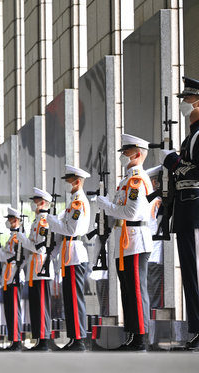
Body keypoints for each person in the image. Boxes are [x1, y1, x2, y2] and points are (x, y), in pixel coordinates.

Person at [96, 134, 153, 351]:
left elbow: (131, 211)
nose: (123, 155)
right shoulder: (125, 181)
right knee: (127, 291)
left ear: (137, 154)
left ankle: (140, 338)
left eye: (126, 152)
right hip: (124, 241)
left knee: (137, 290)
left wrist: (107, 206)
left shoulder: (137, 180)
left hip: (136, 240)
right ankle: (131, 335)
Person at [162, 76, 199, 351]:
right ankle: (195, 329)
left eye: (187, 100)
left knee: (196, 272)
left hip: (196, 213)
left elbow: (191, 171)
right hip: (186, 215)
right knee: (190, 274)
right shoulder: (191, 136)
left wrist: (175, 163)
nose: (184, 104)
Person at [46, 165, 91, 351]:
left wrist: (51, 221)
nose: (67, 184)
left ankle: (79, 338)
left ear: (77, 182)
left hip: (74, 253)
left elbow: (71, 230)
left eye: (69, 181)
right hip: (68, 253)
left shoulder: (78, 202)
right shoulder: (73, 201)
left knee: (75, 298)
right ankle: (74, 337)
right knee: (70, 298)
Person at [17, 188, 54, 351]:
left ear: (43, 203)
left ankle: (44, 339)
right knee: (35, 306)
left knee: (41, 305)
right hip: (34, 270)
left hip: (42, 268)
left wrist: (24, 241)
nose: (33, 205)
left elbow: (40, 248)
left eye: (36, 201)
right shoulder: (36, 221)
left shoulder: (44, 222)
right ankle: (38, 339)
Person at [0, 207, 24, 351]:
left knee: (14, 309)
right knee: (9, 310)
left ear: (17, 220)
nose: (8, 222)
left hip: (14, 276)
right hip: (8, 277)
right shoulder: (12, 237)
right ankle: (13, 339)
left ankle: (17, 340)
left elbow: (13, 257)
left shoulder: (18, 237)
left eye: (10, 219)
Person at [146, 165, 164, 309]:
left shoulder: (148, 201)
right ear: (154, 183)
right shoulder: (156, 201)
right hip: (156, 254)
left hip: (148, 252)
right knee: (156, 294)